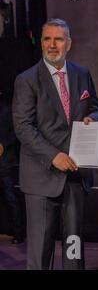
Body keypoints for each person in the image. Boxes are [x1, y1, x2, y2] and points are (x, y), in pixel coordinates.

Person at [12, 18, 98, 269]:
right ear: (41, 43)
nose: (53, 45)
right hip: (42, 178)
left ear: (69, 43)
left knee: (74, 249)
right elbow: (23, 127)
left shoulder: (82, 74)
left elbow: (95, 108)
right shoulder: (27, 79)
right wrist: (54, 156)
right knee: (41, 252)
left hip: (75, 176)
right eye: (47, 39)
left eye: (58, 39)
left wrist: (92, 118)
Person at [0, 91, 24, 244]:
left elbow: (16, 133)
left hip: (5, 160)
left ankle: (18, 233)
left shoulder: (7, 109)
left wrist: (3, 145)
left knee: (10, 197)